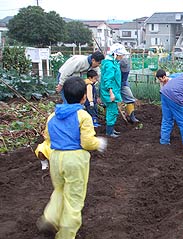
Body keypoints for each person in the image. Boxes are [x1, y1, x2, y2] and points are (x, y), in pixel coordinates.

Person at [35, 77, 107, 239]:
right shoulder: (83, 116)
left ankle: (50, 218)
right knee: (74, 198)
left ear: (64, 96)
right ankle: (66, 234)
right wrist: (98, 143)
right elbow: (87, 142)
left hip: (55, 158)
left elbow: (47, 136)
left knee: (59, 190)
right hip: (75, 160)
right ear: (83, 97)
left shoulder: (52, 116)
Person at [100, 43, 124, 137]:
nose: (122, 56)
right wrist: (111, 93)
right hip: (109, 92)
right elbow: (108, 80)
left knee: (113, 111)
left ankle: (111, 130)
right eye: (121, 55)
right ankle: (109, 132)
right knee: (112, 111)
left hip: (114, 90)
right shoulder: (109, 65)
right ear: (116, 54)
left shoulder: (113, 62)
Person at [119, 54, 140, 123]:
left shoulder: (127, 68)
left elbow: (124, 79)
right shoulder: (115, 69)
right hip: (114, 85)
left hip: (123, 83)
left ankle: (131, 117)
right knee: (109, 102)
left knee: (130, 98)